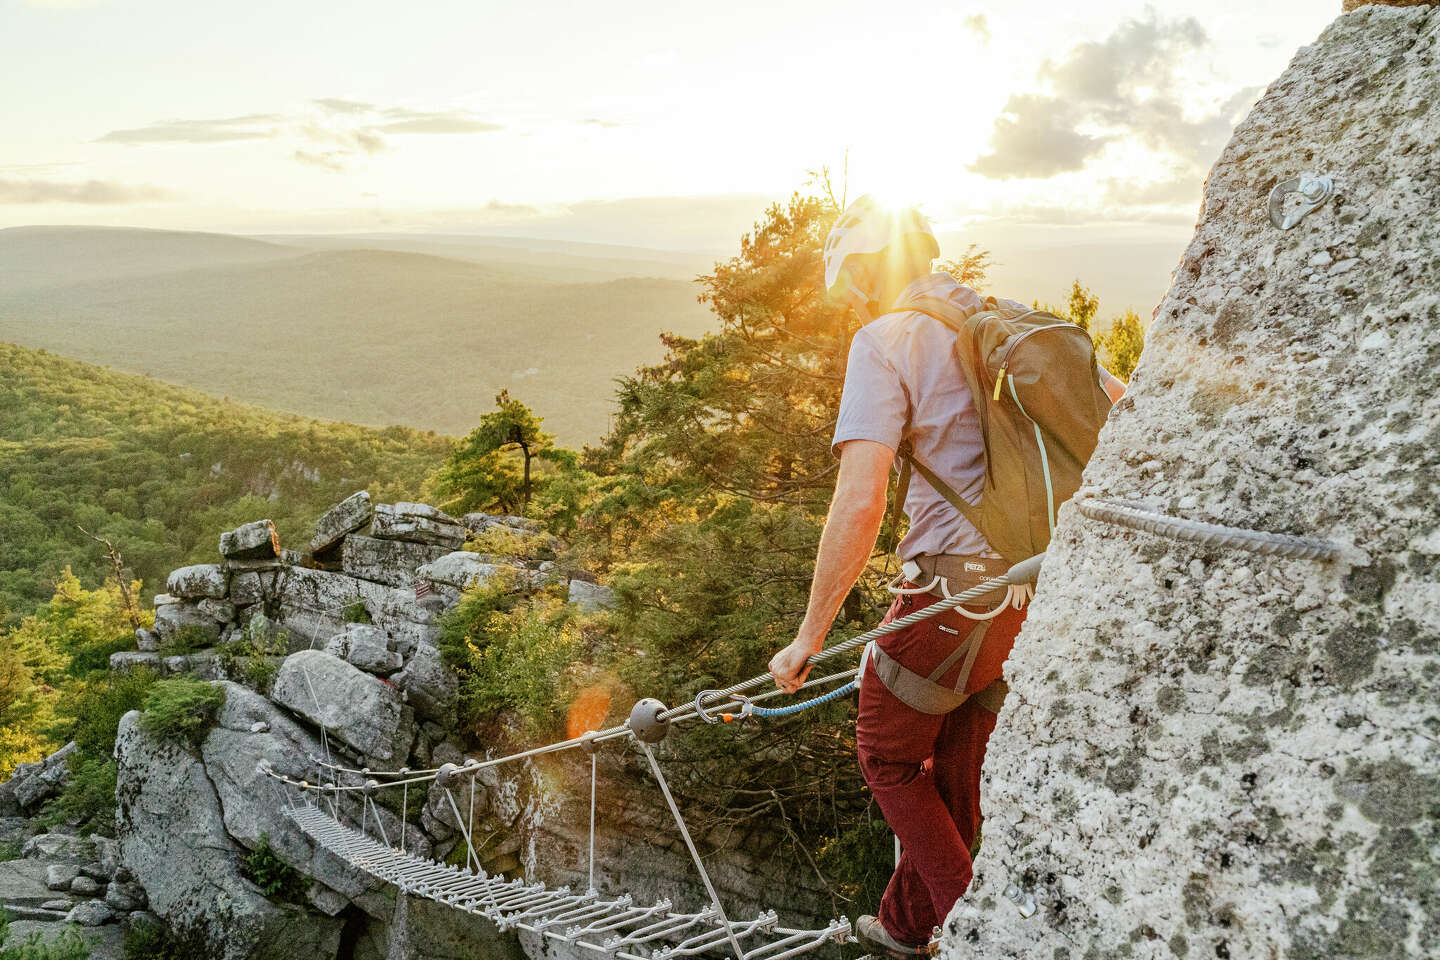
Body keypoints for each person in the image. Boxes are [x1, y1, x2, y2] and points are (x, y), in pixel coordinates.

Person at [768, 195, 1123, 957]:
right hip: (1035, 588)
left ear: (863, 272)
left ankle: (980, 937)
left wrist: (809, 637)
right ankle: (906, 927)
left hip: (949, 589)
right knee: (958, 750)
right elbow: (1126, 411)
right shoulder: (1015, 319)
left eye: (849, 286)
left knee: (886, 751)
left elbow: (860, 500)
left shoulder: (885, 338)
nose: (850, 302)